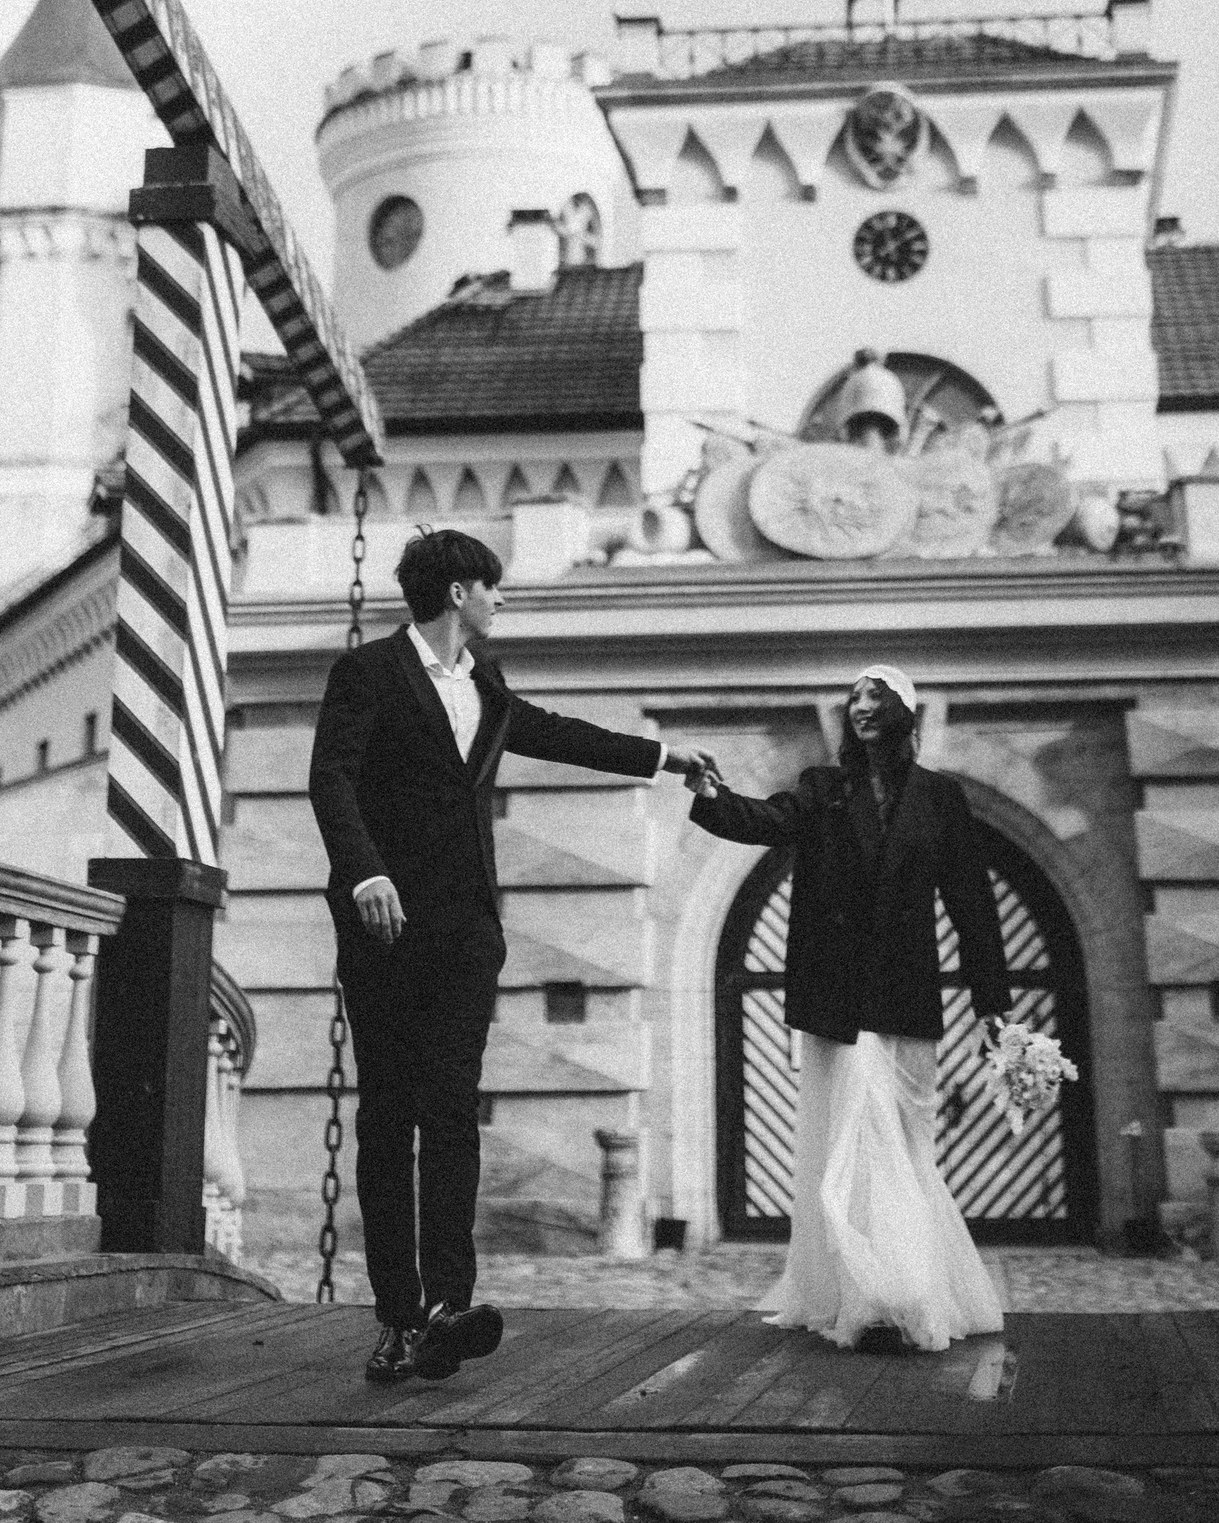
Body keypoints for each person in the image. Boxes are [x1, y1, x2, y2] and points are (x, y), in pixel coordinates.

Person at [307, 526, 716, 1388]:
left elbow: (551, 731)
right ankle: (397, 1315)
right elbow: (331, 779)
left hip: (465, 934)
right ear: (459, 592)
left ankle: (447, 1310)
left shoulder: (484, 681)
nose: (501, 601)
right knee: (389, 1119)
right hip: (385, 928)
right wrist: (365, 871)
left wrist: (660, 756)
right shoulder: (369, 673)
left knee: (452, 1111)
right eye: (492, 587)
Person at [687, 665, 1011, 1353]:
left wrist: (992, 1004)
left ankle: (909, 1287)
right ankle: (879, 1300)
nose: (862, 707)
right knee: (860, 1143)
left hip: (908, 996)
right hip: (839, 998)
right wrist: (712, 796)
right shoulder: (823, 789)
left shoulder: (940, 798)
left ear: (903, 713)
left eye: (875, 697)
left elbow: (972, 903)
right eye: (855, 697)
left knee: (908, 1145)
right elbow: (767, 820)